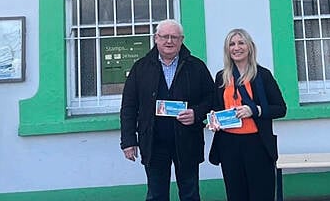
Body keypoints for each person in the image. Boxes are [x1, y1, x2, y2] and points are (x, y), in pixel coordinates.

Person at [120, 19, 215, 201]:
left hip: (188, 141)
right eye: (164, 37)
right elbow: (129, 107)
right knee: (156, 195)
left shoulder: (196, 67)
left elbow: (211, 98)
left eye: (174, 37)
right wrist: (128, 140)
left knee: (190, 194)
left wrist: (196, 113)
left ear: (181, 40)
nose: (169, 41)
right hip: (154, 143)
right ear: (156, 38)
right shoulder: (141, 68)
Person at [208, 28, 287, 201]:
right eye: (232, 44)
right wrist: (213, 120)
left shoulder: (263, 75)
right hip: (229, 145)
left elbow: (280, 108)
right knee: (236, 195)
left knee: (261, 194)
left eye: (241, 43)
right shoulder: (221, 77)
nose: (237, 47)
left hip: (257, 144)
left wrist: (255, 110)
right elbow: (216, 108)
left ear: (250, 47)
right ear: (227, 49)